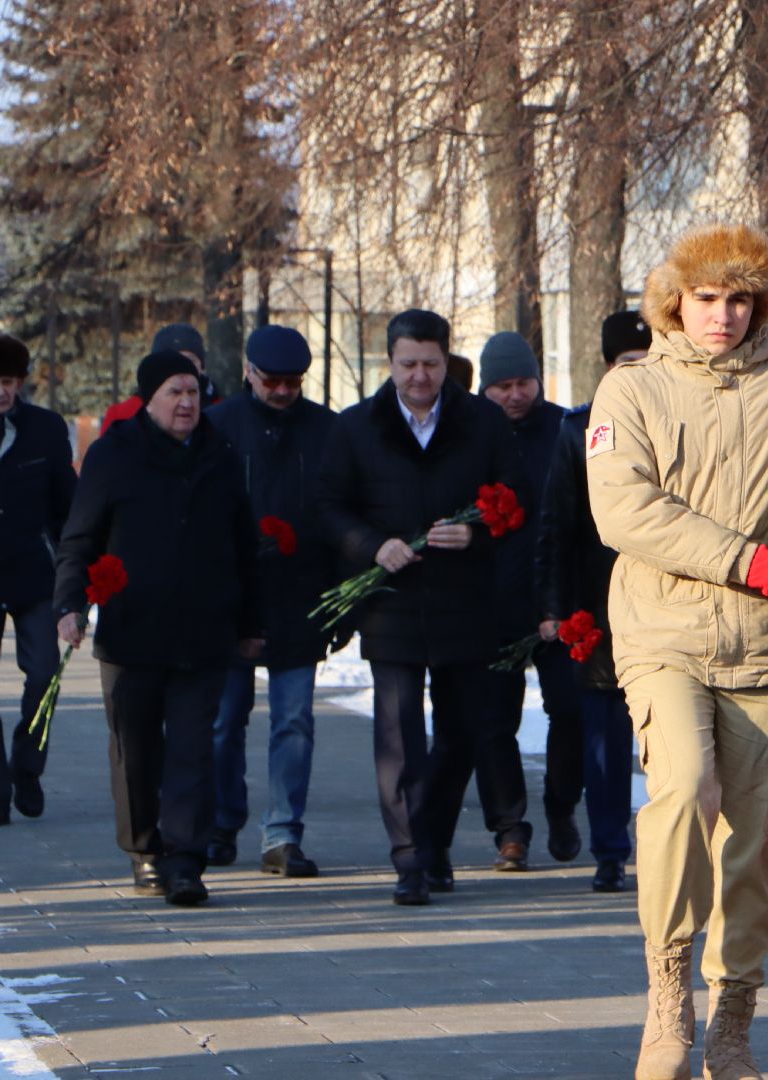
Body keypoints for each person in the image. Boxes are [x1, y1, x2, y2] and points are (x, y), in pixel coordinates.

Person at [587, 224, 768, 1080]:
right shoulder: (632, 390)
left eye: (739, 300)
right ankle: (666, 1001)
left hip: (765, 645)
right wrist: (747, 559)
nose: (722, 316)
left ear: (760, 305)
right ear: (674, 303)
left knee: (756, 840)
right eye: (706, 298)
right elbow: (624, 512)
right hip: (664, 633)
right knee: (683, 788)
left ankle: (733, 1019)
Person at [316, 309, 525, 906]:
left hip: (465, 603)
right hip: (392, 605)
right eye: (408, 364)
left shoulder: (482, 422)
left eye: (431, 364)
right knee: (399, 735)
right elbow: (329, 507)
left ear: (446, 361)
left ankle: (432, 842)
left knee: (460, 733)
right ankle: (410, 859)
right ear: (391, 363)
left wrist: (478, 533)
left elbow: (514, 499)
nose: (419, 376)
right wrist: (370, 546)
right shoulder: (356, 427)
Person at [54, 351, 262, 906]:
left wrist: (250, 621)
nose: (187, 402)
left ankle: (187, 860)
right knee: (136, 748)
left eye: (193, 392)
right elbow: (80, 538)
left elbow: (245, 546)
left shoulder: (219, 455)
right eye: (175, 392)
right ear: (150, 398)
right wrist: (69, 606)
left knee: (195, 748)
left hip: (203, 630)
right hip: (133, 632)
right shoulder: (113, 455)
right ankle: (146, 851)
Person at [203, 326, 338, 876]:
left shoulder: (327, 430)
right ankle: (220, 820)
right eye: (272, 381)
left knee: (294, 721)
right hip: (232, 597)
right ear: (249, 375)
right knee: (222, 720)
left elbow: (336, 511)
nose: (283, 391)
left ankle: (282, 832)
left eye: (292, 382)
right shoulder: (219, 427)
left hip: (299, 596)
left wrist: (336, 601)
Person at [451, 331, 577, 873]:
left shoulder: (564, 428)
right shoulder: (468, 432)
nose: (515, 395)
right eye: (502, 386)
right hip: (489, 599)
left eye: (523, 382)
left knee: (569, 712)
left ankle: (563, 804)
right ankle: (509, 828)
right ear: (485, 387)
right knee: (493, 720)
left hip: (557, 598)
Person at [536, 309, 652, 892]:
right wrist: (556, 608)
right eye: (628, 365)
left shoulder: (676, 423)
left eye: (647, 363)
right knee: (604, 736)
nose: (639, 375)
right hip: (599, 609)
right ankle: (610, 850)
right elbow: (557, 526)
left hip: (665, 604)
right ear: (609, 369)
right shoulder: (577, 431)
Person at [0, 333, 76, 825]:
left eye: (8, 382)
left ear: (21, 383)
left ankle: (27, 764)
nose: (0, 392)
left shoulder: (43, 429)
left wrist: (74, 572)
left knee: (44, 673)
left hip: (34, 573)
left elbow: (67, 504)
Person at [100, 324, 220, 434]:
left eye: (189, 361)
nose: (181, 367)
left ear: (202, 366)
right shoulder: (122, 416)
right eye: (170, 360)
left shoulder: (222, 413)